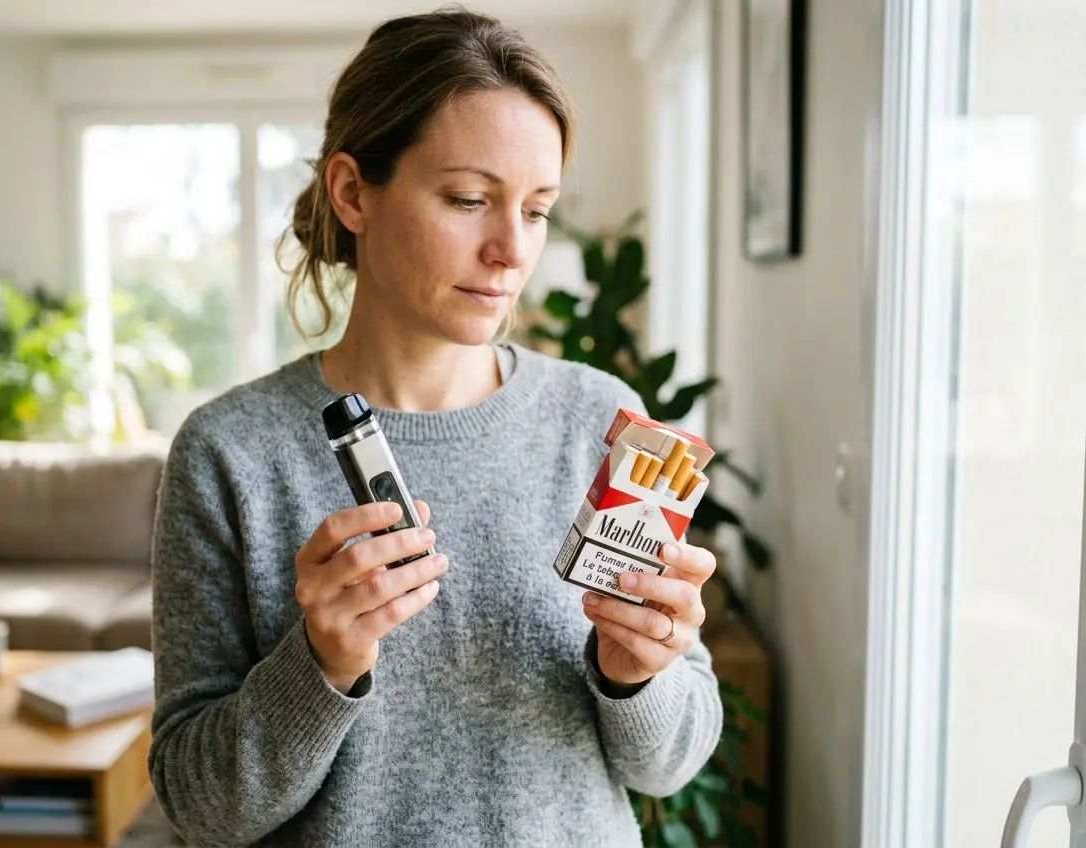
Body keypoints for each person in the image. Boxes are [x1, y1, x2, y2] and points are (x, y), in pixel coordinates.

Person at [147, 6, 723, 846]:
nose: (510, 251)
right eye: (468, 199)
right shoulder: (229, 453)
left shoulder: (600, 419)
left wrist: (639, 674)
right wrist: (321, 666)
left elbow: (669, 764)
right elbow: (197, 806)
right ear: (352, 193)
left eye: (536, 210)